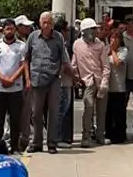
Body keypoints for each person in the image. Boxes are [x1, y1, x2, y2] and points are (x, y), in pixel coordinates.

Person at [25, 12, 72, 154]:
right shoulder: (33, 37)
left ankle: (52, 143)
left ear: (52, 24)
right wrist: (27, 79)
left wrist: (59, 74)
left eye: (49, 22)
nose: (46, 25)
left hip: (53, 80)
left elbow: (64, 59)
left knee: (53, 112)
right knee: (36, 113)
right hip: (37, 79)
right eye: (44, 22)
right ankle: (37, 143)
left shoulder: (58, 37)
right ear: (40, 23)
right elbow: (26, 59)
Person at [0, 19, 28, 151]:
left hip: (15, 88)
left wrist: (11, 79)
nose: (9, 31)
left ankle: (15, 146)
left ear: (15, 30)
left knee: (15, 120)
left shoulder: (21, 46)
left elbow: (23, 65)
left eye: (12, 29)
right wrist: (2, 78)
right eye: (7, 29)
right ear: (3, 30)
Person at [72, 18, 110, 147]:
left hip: (100, 80)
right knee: (88, 110)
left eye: (95, 29)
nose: (94, 32)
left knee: (101, 111)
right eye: (92, 29)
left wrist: (105, 82)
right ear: (84, 31)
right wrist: (76, 77)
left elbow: (106, 65)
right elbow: (74, 63)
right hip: (87, 82)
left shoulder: (100, 45)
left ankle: (100, 135)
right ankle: (86, 136)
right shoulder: (77, 45)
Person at [14, 16, 35, 151]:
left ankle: (24, 140)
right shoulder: (14, 42)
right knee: (13, 113)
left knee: (27, 112)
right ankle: (13, 139)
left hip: (26, 81)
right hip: (14, 81)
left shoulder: (28, 40)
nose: (28, 28)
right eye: (25, 26)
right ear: (18, 27)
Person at [106, 22, 129, 144]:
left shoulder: (123, 51)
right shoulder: (107, 50)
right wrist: (109, 50)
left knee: (119, 113)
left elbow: (117, 62)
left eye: (115, 38)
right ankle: (109, 133)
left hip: (119, 87)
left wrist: (114, 51)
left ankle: (119, 135)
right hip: (108, 87)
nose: (113, 40)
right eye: (111, 38)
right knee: (109, 113)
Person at [55, 17, 76, 149]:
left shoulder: (62, 43)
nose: (68, 32)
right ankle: (58, 138)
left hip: (65, 82)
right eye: (66, 30)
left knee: (61, 111)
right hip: (62, 83)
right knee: (61, 111)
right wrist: (75, 77)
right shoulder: (60, 44)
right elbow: (65, 65)